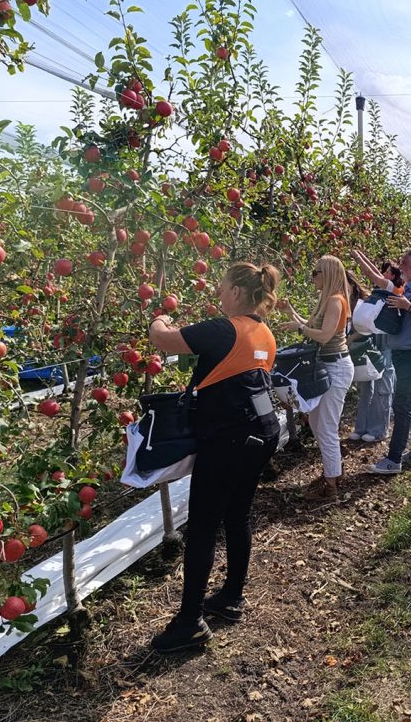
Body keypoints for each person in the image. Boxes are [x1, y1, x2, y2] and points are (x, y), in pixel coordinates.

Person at [146, 261, 282, 652]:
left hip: (229, 439)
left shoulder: (224, 329)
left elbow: (165, 341)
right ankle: (231, 597)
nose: (218, 294)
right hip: (262, 433)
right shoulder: (265, 334)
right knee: (237, 515)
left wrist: (159, 317)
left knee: (204, 525)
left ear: (238, 292)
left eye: (222, 288)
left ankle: (190, 622)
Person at [277, 255, 354, 502]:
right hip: (327, 366)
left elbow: (323, 335)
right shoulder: (325, 300)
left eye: (316, 272)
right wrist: (291, 312)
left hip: (337, 367)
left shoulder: (335, 301)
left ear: (328, 274)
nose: (313, 277)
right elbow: (311, 325)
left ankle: (331, 486)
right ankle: (333, 472)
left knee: (326, 427)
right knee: (315, 422)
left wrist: (298, 329)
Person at [365, 247, 411, 475]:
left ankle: (394, 459)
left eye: (405, 263)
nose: (401, 267)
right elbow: (377, 279)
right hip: (404, 354)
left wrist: (408, 306)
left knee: (402, 404)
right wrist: (359, 257)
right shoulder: (406, 287)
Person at [348, 251, 403, 443]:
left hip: (384, 338)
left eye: (388, 272)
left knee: (383, 383)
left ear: (396, 276)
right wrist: (361, 257)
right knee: (366, 381)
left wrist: (357, 257)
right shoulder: (379, 290)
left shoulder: (394, 289)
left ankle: (379, 428)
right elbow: (373, 272)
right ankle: (362, 426)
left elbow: (371, 273)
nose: (384, 274)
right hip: (373, 337)